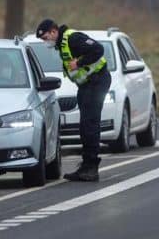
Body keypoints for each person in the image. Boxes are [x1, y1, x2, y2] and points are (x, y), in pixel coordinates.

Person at [36, 18, 111, 181]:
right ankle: (86, 165)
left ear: (54, 31)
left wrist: (79, 62)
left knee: (90, 124)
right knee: (85, 125)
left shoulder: (72, 38)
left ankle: (91, 168)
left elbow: (98, 49)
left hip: (97, 81)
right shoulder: (62, 43)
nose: (45, 42)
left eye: (45, 38)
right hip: (87, 85)